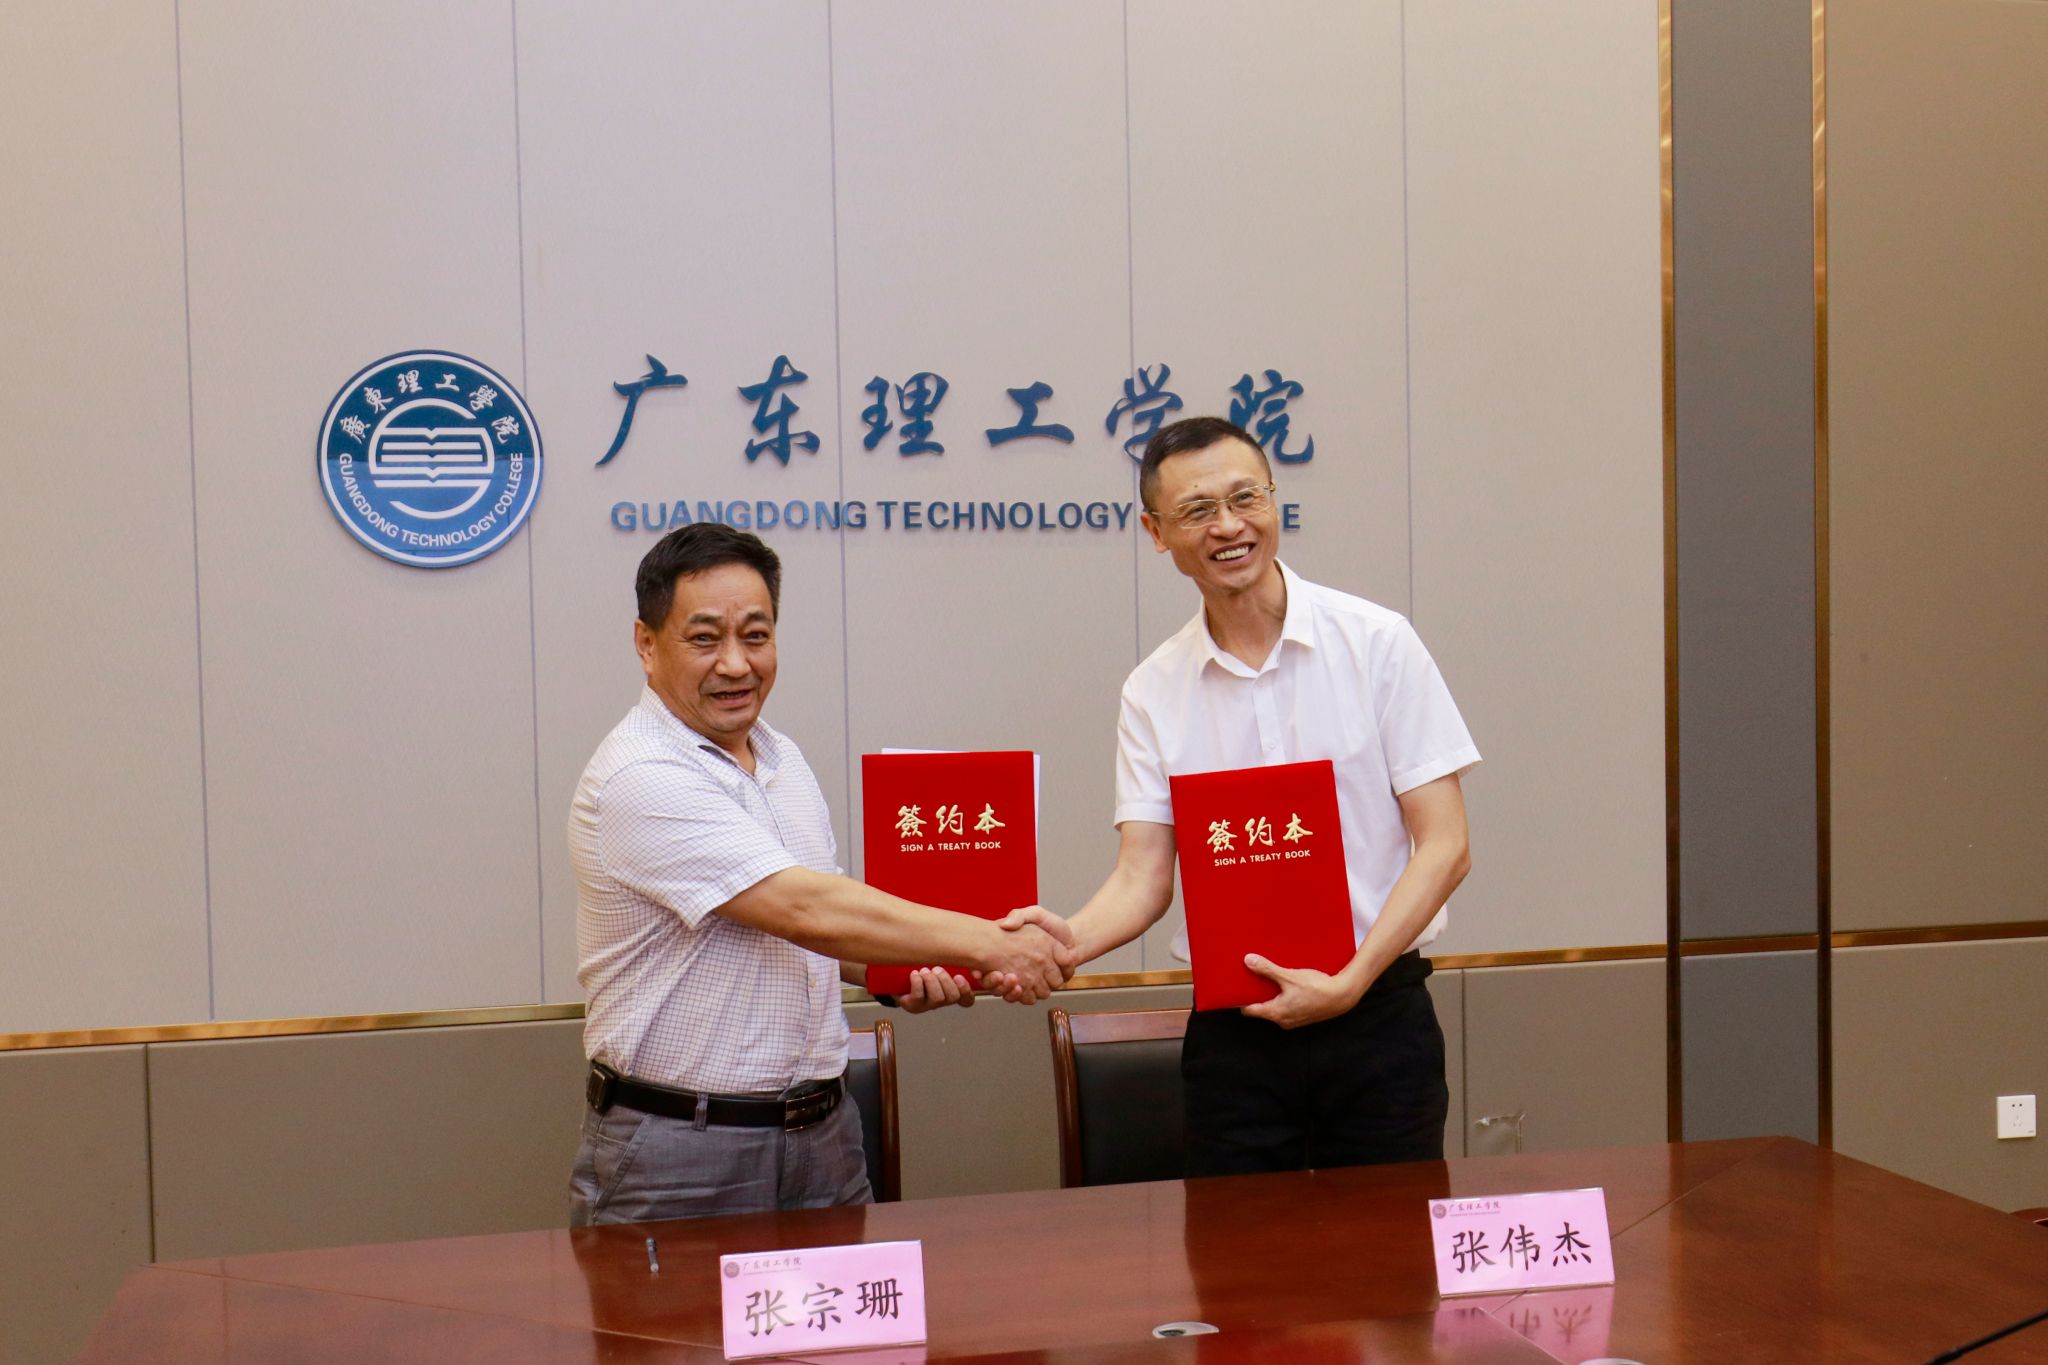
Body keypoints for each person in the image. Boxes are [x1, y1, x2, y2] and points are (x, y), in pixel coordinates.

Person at [567, 523, 1076, 1225]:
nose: (736, 663)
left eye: (756, 635)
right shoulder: (640, 773)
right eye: (705, 638)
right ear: (647, 644)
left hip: (824, 1137)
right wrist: (993, 943)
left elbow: (816, 938)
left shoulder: (782, 760)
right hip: (684, 1150)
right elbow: (803, 907)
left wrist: (900, 974)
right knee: (672, 1314)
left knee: (847, 1307)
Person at [1029, 415, 1479, 1176]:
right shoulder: (1154, 690)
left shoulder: (1377, 643)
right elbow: (1142, 877)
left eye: (1246, 498)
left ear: (1274, 500)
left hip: (1380, 1019)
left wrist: (1350, 982)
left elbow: (1446, 843)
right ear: (1156, 532)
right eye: (1198, 510)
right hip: (1235, 1040)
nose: (1229, 526)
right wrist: (1051, 947)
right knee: (1235, 1252)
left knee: (1391, 1250)